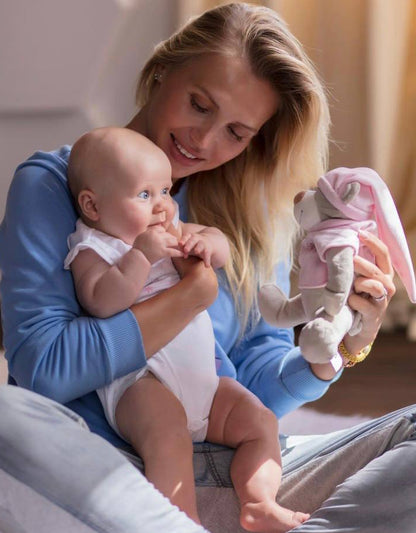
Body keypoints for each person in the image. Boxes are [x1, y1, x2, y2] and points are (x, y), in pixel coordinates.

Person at [0, 3, 416, 533]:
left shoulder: (254, 216)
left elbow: (259, 383)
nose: (204, 142)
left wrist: (340, 349)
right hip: (101, 472)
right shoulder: (61, 186)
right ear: (162, 70)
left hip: (229, 472)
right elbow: (45, 369)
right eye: (199, 104)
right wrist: (191, 294)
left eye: (236, 132)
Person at [64, 126, 309, 531]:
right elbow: (101, 300)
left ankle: (258, 501)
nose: (161, 206)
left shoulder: (169, 231)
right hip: (140, 381)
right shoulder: (93, 249)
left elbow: (219, 245)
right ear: (93, 206)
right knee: (168, 435)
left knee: (259, 422)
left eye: (165, 191)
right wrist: (140, 256)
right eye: (145, 195)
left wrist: (209, 244)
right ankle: (181, 521)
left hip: (206, 383)